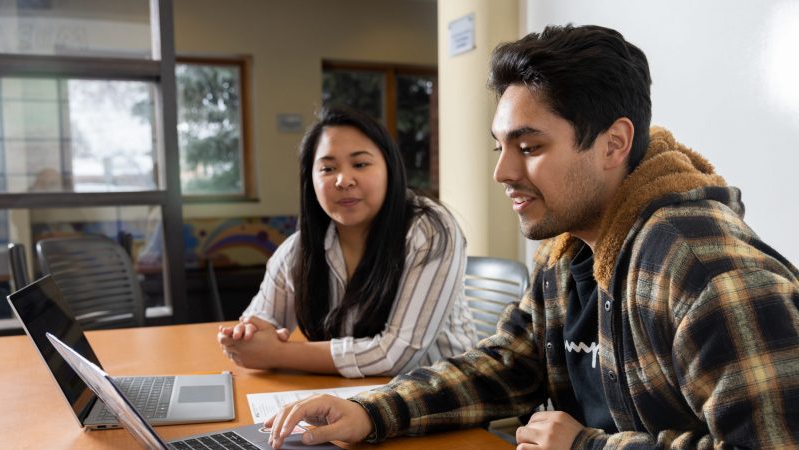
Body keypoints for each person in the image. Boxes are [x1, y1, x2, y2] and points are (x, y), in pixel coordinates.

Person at [265, 25, 799, 449]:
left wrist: (587, 446)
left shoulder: (708, 272)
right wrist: (371, 411)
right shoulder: (566, 250)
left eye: (530, 147)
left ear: (614, 144)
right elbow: (505, 367)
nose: (502, 172)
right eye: (500, 146)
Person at [217, 106, 477, 378]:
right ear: (311, 180)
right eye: (328, 168)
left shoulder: (430, 230)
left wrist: (276, 353)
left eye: (360, 164)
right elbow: (261, 318)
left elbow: (395, 356)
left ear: (389, 167)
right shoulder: (301, 247)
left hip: (441, 399)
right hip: (353, 396)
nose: (343, 180)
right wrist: (249, 335)